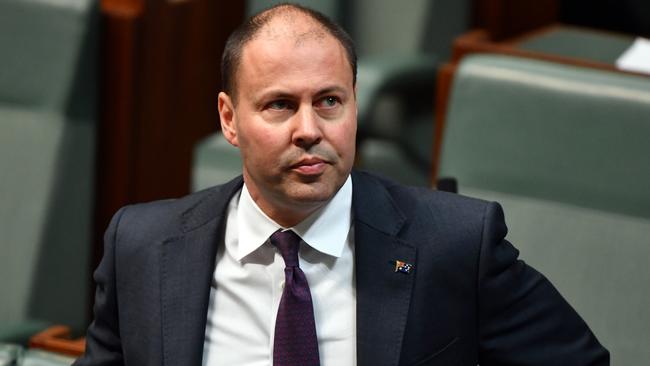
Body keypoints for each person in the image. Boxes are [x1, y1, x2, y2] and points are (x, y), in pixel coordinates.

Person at [75, 4, 609, 366]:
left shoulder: (455, 245)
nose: (310, 130)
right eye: (280, 104)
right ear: (229, 118)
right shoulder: (142, 245)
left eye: (329, 101)